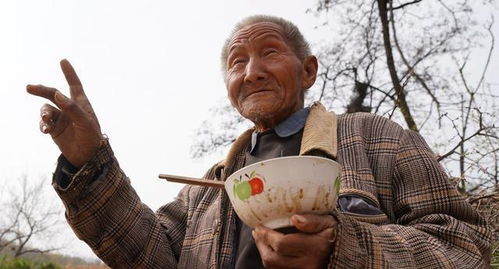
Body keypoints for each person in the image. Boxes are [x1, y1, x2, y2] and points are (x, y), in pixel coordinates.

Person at [27, 15, 491, 269]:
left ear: (307, 70)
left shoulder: (377, 139)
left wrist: (343, 248)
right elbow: (146, 253)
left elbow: (464, 248)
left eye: (269, 52)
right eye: (237, 61)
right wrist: (89, 160)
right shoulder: (211, 186)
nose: (252, 71)